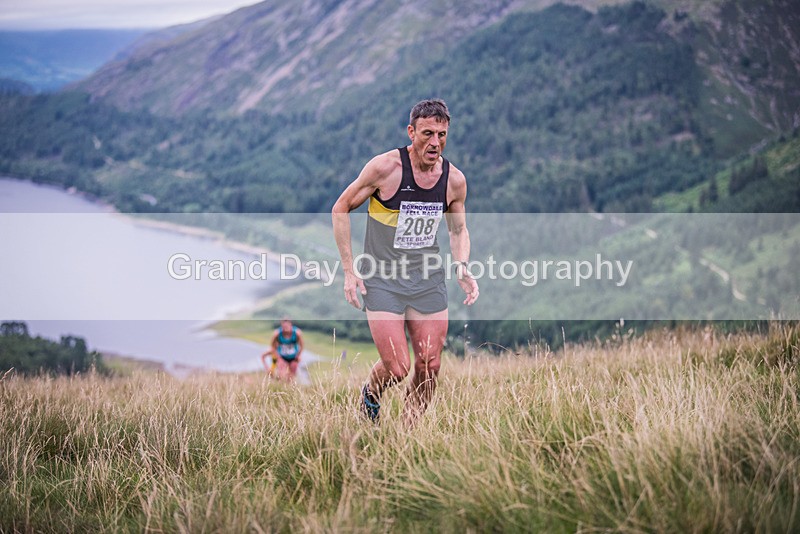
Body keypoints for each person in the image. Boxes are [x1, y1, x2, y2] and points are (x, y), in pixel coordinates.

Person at [332, 98, 479, 426]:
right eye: (427, 133)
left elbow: (459, 230)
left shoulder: (454, 181)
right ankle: (371, 393)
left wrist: (462, 266)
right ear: (411, 132)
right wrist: (348, 271)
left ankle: (408, 434)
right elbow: (340, 208)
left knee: (430, 365)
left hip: (427, 280)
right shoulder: (385, 169)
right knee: (397, 368)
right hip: (383, 279)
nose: (435, 142)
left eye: (442, 135)